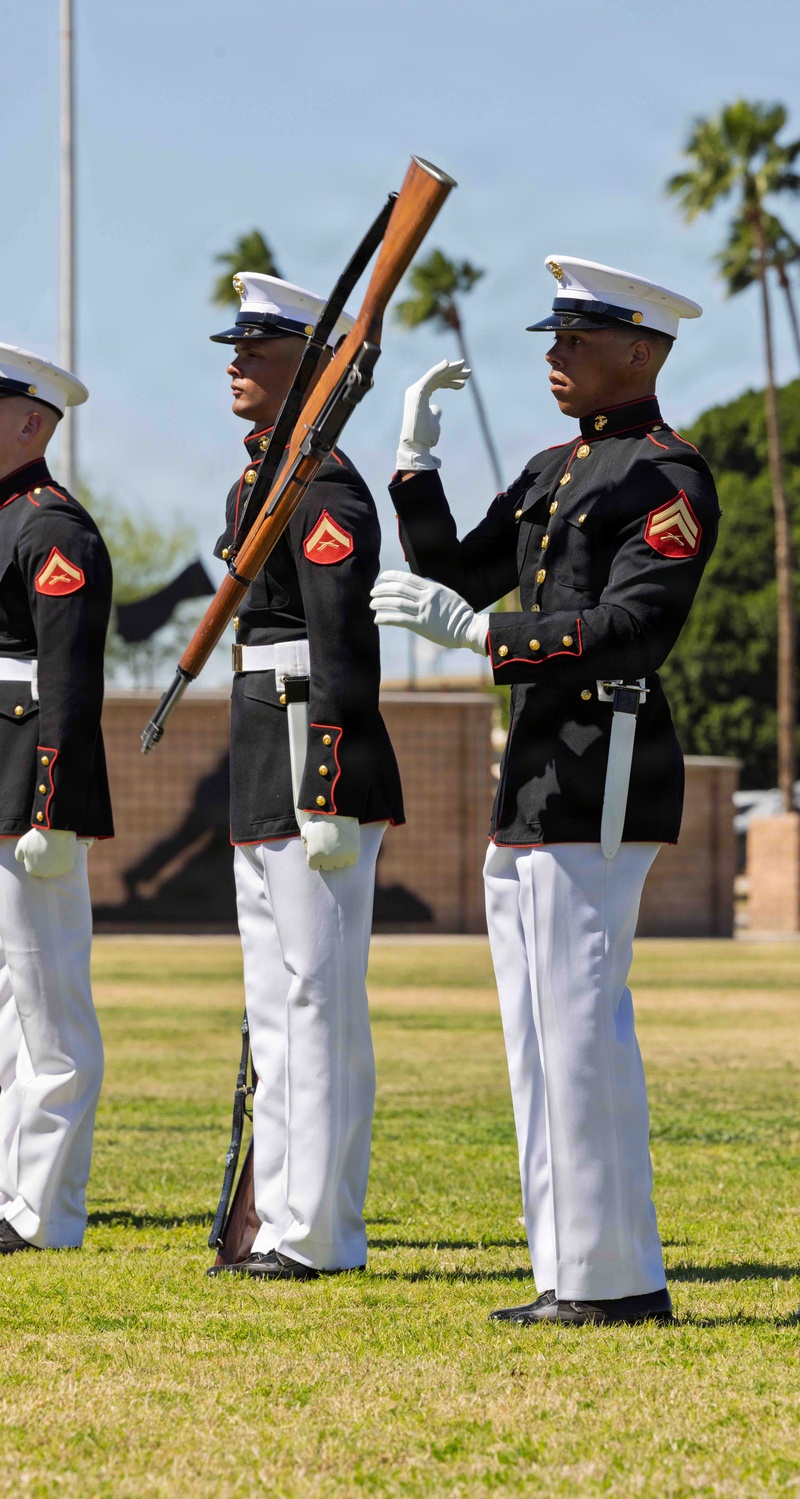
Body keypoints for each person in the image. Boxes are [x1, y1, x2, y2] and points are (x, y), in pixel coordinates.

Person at [372, 257, 720, 1324]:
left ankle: (618, 1278)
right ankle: (567, 1269)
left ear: (642, 351)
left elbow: (632, 626)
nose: (553, 357)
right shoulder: (551, 469)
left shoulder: (669, 477)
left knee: (578, 1027)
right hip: (534, 765)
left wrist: (483, 637)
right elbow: (459, 572)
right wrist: (413, 462)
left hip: (602, 761)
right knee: (534, 1039)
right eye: (552, 339)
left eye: (576, 340)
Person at [207, 273, 403, 1281]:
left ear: (311, 367)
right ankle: (282, 1214)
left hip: (307, 746)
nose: (234, 364)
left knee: (319, 999)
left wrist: (328, 777)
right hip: (259, 743)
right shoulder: (257, 482)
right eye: (233, 348)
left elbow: (341, 640)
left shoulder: (322, 485)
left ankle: (320, 1231)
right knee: (276, 1002)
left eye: (257, 349)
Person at [0, 344, 112, 1254]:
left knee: (49, 1009)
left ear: (32, 423)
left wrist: (51, 807)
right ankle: (11, 1195)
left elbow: (68, 683)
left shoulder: (52, 528)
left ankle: (44, 1213)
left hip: (28, 796)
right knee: (9, 1008)